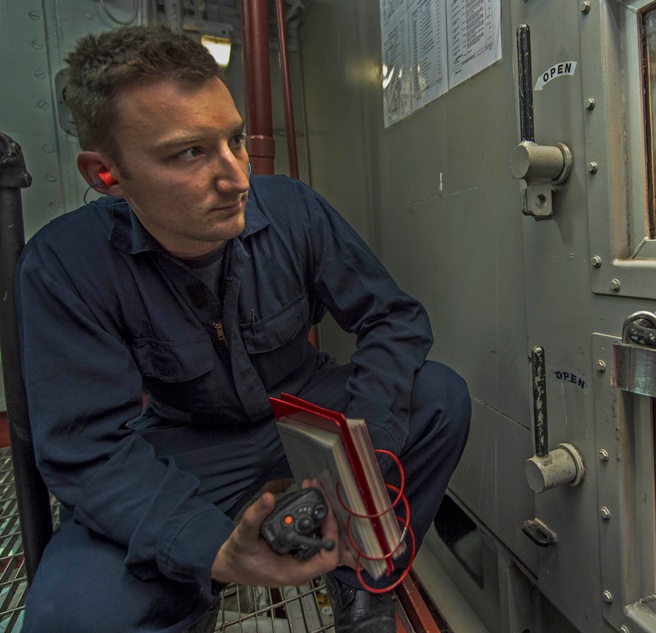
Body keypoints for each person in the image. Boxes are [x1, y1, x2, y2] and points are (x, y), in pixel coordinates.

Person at [14, 24, 470, 633]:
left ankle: (361, 578)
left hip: (305, 407)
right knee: (72, 616)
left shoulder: (292, 209)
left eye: (233, 141)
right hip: (188, 439)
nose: (237, 179)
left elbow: (393, 318)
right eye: (189, 153)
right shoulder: (65, 265)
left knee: (439, 397)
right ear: (106, 175)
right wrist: (213, 550)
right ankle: (196, 595)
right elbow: (89, 450)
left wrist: (366, 447)